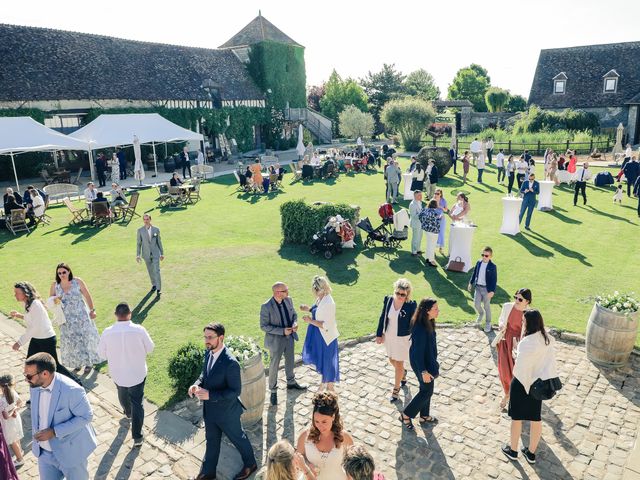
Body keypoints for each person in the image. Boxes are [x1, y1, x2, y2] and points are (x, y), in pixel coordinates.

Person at [188, 323, 257, 480]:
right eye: (205, 337)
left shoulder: (231, 363)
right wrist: (196, 384)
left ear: (221, 337)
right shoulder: (208, 352)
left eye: (210, 337)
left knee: (238, 439)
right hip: (210, 411)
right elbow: (204, 375)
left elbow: (235, 391)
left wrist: (210, 395)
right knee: (212, 441)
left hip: (228, 413)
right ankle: (208, 472)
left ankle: (251, 464)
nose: (207, 340)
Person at [24, 352, 97, 480]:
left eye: (29, 376)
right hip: (44, 454)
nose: (26, 379)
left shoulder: (72, 390)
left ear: (45, 374)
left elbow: (86, 416)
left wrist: (55, 432)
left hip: (71, 453)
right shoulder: (35, 385)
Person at [502, 310, 558, 465]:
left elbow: (520, 367)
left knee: (517, 418)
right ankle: (531, 454)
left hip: (522, 383)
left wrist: (515, 353)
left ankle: (513, 450)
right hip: (538, 385)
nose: (522, 323)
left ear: (528, 323)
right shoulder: (547, 339)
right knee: (535, 418)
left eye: (523, 321)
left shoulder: (527, 343)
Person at [98, 302, 154, 447]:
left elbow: (101, 354)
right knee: (137, 402)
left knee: (122, 391)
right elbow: (150, 348)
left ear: (116, 315)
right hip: (137, 373)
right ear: (130, 314)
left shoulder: (107, 332)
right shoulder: (139, 330)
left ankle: (128, 412)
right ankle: (137, 437)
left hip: (118, 373)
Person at [10, 281, 77, 381]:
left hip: (47, 339)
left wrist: (19, 342)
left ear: (25, 293)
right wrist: (19, 315)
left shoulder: (35, 304)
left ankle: (77, 383)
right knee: (30, 363)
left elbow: (34, 327)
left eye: (17, 293)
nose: (15, 295)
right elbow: (32, 319)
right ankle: (35, 384)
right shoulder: (28, 303)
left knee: (55, 366)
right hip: (37, 338)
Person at [260, 282, 307, 406]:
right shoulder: (266, 306)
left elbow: (294, 315)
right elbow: (264, 326)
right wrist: (282, 331)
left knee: (290, 360)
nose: (288, 292)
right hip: (276, 341)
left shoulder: (288, 300)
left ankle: (291, 382)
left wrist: (294, 323)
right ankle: (273, 391)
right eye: (285, 290)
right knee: (274, 365)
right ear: (277, 293)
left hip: (290, 337)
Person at [49, 263, 101, 374]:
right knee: (72, 341)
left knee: (85, 338)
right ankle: (77, 362)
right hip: (66, 319)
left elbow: (87, 295)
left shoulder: (77, 281)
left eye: (64, 272)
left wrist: (92, 310)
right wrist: (57, 300)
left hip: (81, 315)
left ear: (69, 271)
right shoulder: (55, 285)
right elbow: (51, 301)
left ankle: (89, 363)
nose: (62, 274)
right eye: (59, 273)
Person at [400, 298, 440, 430]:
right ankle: (406, 414)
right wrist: (423, 371)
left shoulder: (428, 321)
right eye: (435, 309)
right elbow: (417, 353)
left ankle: (424, 416)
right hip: (422, 365)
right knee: (426, 391)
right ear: (427, 311)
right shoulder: (421, 329)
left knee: (426, 389)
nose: (438, 311)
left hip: (428, 362)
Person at [375, 279, 417, 402]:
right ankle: (403, 372)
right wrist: (379, 334)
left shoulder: (411, 305)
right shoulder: (388, 300)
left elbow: (414, 323)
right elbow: (383, 316)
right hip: (389, 336)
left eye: (402, 294)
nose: (399, 296)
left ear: (407, 294)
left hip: (402, 339)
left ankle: (396, 390)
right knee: (391, 359)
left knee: (398, 363)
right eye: (397, 293)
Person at [296, 391, 353, 480]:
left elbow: (352, 467)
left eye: (324, 422)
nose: (320, 426)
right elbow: (298, 459)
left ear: (333, 417)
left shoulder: (345, 438)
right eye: (316, 421)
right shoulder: (304, 436)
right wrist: (307, 465)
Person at [301, 276, 340, 392]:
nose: (315, 292)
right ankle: (324, 382)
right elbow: (317, 310)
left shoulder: (329, 303)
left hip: (326, 336)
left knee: (328, 360)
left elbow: (326, 324)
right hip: (318, 334)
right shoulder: (321, 298)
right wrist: (308, 309)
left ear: (322, 289)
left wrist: (310, 321)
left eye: (316, 290)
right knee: (322, 359)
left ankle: (329, 386)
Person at [495, 288, 532, 409]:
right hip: (505, 341)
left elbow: (531, 333)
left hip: (519, 346)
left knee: (516, 373)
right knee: (504, 370)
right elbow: (501, 319)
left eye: (520, 299)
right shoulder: (507, 306)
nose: (516, 300)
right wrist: (501, 325)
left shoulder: (529, 314)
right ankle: (507, 393)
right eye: (515, 297)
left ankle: (513, 394)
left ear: (527, 301)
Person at [467, 247, 497, 333]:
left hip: (486, 289)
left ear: (491, 256)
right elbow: (474, 273)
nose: (484, 257)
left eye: (486, 255)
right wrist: (470, 283)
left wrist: (492, 291)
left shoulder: (493, 266)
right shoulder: (479, 262)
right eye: (482, 255)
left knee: (486, 306)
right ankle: (481, 314)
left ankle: (488, 323)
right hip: (478, 288)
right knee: (476, 304)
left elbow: (494, 280)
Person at [136, 214, 164, 299]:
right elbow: (138, 244)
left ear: (150, 219)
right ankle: (154, 285)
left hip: (155, 254)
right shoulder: (140, 230)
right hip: (146, 254)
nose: (146, 221)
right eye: (144, 219)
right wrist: (138, 255)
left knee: (157, 270)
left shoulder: (156, 230)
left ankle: (159, 289)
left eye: (147, 219)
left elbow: (159, 242)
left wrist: (162, 253)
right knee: (150, 271)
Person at [0, 373, 24, 468]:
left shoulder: (1, 400)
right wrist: (15, 409)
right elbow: (20, 402)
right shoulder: (13, 392)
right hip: (15, 419)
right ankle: (20, 452)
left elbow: (5, 416)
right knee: (16, 438)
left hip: (8, 423)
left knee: (13, 442)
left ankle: (20, 459)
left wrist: (13, 410)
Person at [419, 199, 441, 267]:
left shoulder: (425, 210)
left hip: (426, 230)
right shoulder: (434, 212)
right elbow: (436, 221)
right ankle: (431, 260)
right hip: (433, 231)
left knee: (429, 244)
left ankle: (427, 258)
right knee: (432, 246)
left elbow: (419, 216)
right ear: (435, 205)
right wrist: (440, 217)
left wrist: (424, 223)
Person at [432, 189, 448, 254]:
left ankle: (441, 248)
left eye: (438, 193)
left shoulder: (443, 201)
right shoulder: (432, 200)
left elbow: (446, 210)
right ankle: (433, 249)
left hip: (441, 218)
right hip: (434, 218)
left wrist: (440, 207)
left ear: (441, 194)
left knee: (441, 233)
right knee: (434, 233)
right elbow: (429, 208)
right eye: (435, 193)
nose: (436, 195)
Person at [409, 190, 424, 256]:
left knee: (420, 236)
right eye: (419, 195)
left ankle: (418, 249)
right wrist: (422, 213)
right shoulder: (412, 204)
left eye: (421, 195)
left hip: (421, 223)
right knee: (415, 237)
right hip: (415, 223)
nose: (421, 196)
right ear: (415, 196)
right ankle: (414, 251)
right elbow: (413, 216)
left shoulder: (419, 202)